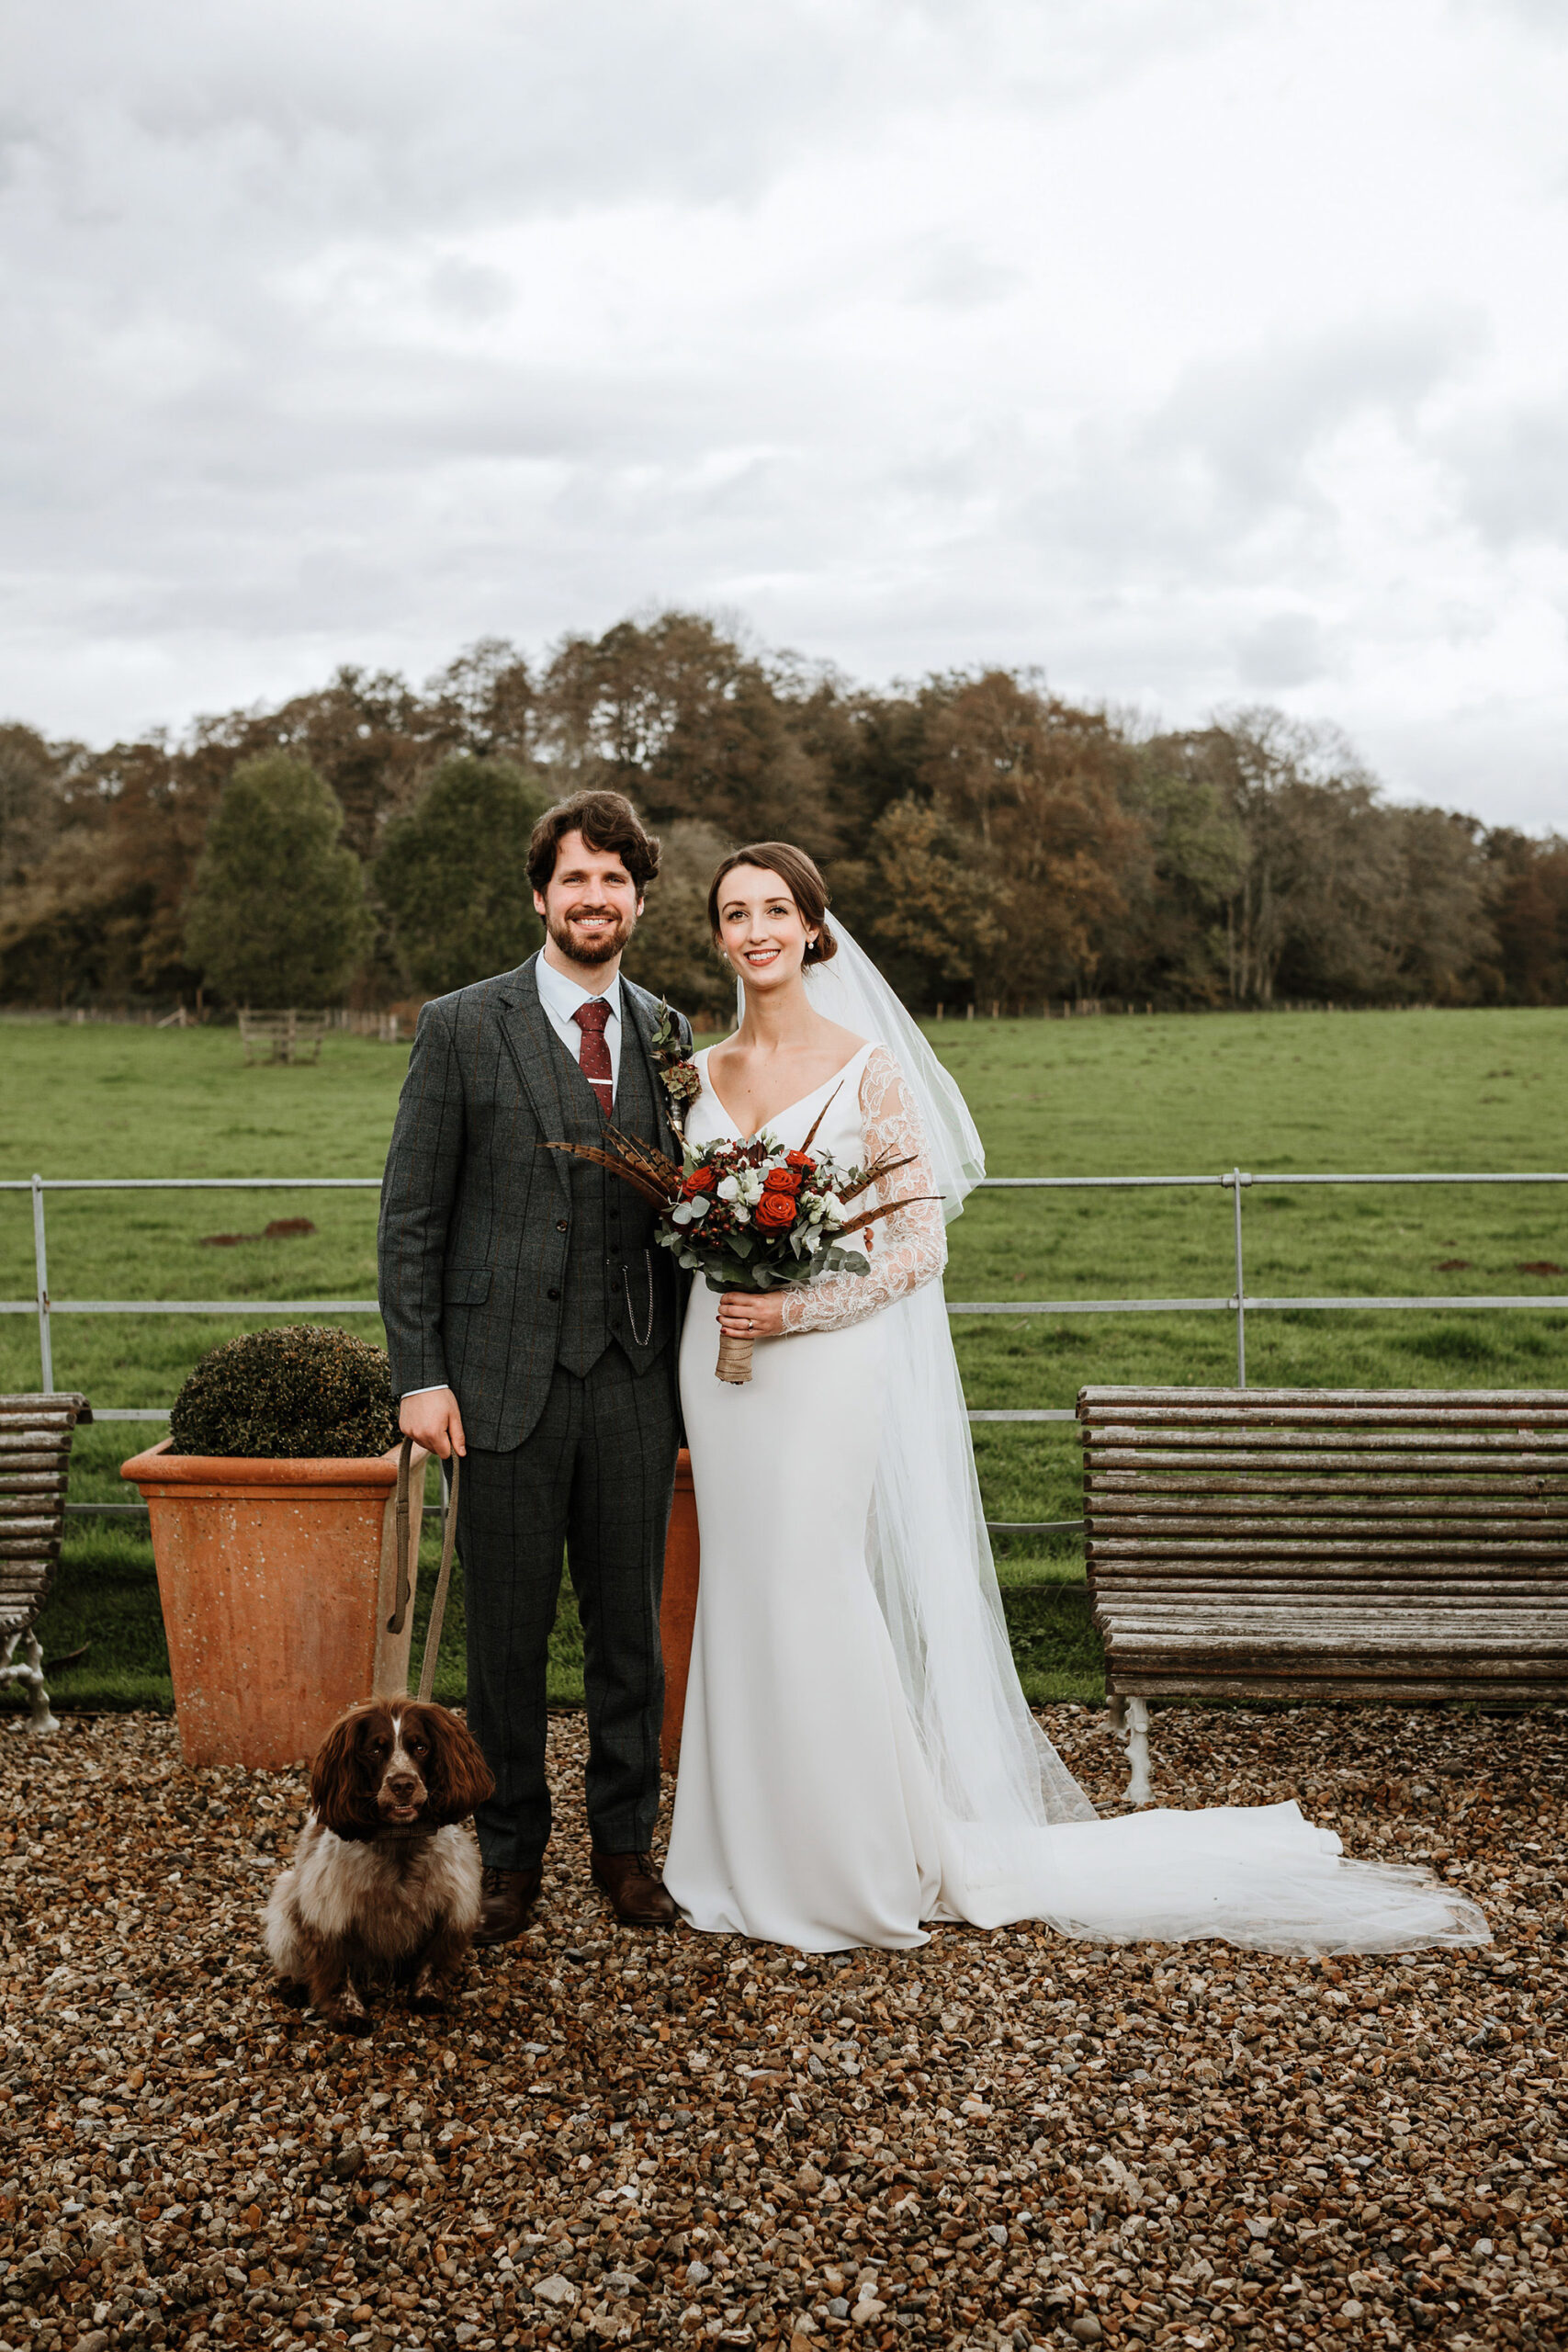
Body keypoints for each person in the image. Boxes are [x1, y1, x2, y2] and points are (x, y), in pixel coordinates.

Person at [662, 842, 1491, 1957]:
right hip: (720, 1370)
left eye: (776, 909)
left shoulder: (869, 1071)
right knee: (742, 1586)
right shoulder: (696, 1075)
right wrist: (732, 1285)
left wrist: (792, 1310)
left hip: (822, 1368)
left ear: (815, 929)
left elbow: (918, 1249)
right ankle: (736, 1855)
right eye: (733, 912)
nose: (755, 928)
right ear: (716, 935)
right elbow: (688, 1224)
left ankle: (848, 1861)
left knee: (814, 1587)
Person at [378, 790, 692, 1942]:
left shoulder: (667, 1033)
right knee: (505, 1641)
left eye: (615, 881)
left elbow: (690, 1219)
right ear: (541, 894)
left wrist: (700, 1377)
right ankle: (507, 1857)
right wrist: (420, 1373)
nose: (595, 899)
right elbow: (412, 1212)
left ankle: (624, 1851)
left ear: (639, 899)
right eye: (576, 879)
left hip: (632, 1377)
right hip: (493, 1383)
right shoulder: (462, 1024)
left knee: (629, 1637)